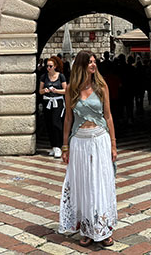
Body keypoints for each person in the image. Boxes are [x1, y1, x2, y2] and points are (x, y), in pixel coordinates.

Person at [58, 51, 117, 247]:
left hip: (100, 139)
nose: (93, 65)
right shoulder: (72, 89)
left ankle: (104, 227)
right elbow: (68, 119)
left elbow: (108, 116)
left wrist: (114, 145)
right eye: (89, 62)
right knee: (83, 184)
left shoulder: (101, 86)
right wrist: (65, 146)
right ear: (81, 66)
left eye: (94, 62)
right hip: (79, 141)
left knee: (99, 183)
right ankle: (86, 228)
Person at [39, 56, 67, 158]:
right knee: (49, 124)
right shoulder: (44, 77)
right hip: (47, 102)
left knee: (56, 124)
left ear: (55, 66)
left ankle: (59, 146)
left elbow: (66, 90)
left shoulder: (61, 77)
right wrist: (45, 90)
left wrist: (56, 91)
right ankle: (53, 146)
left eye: (50, 66)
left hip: (58, 102)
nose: (48, 68)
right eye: (47, 66)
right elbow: (40, 91)